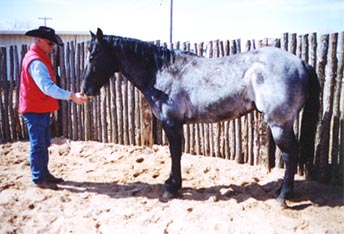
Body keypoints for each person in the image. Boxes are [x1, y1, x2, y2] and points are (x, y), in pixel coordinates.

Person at [18, 26, 88, 190]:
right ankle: (39, 179)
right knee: (38, 145)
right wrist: (71, 96)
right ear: (40, 40)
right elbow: (47, 88)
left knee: (43, 144)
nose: (51, 47)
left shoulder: (38, 57)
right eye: (50, 44)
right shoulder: (36, 61)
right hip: (34, 109)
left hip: (38, 108)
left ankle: (44, 174)